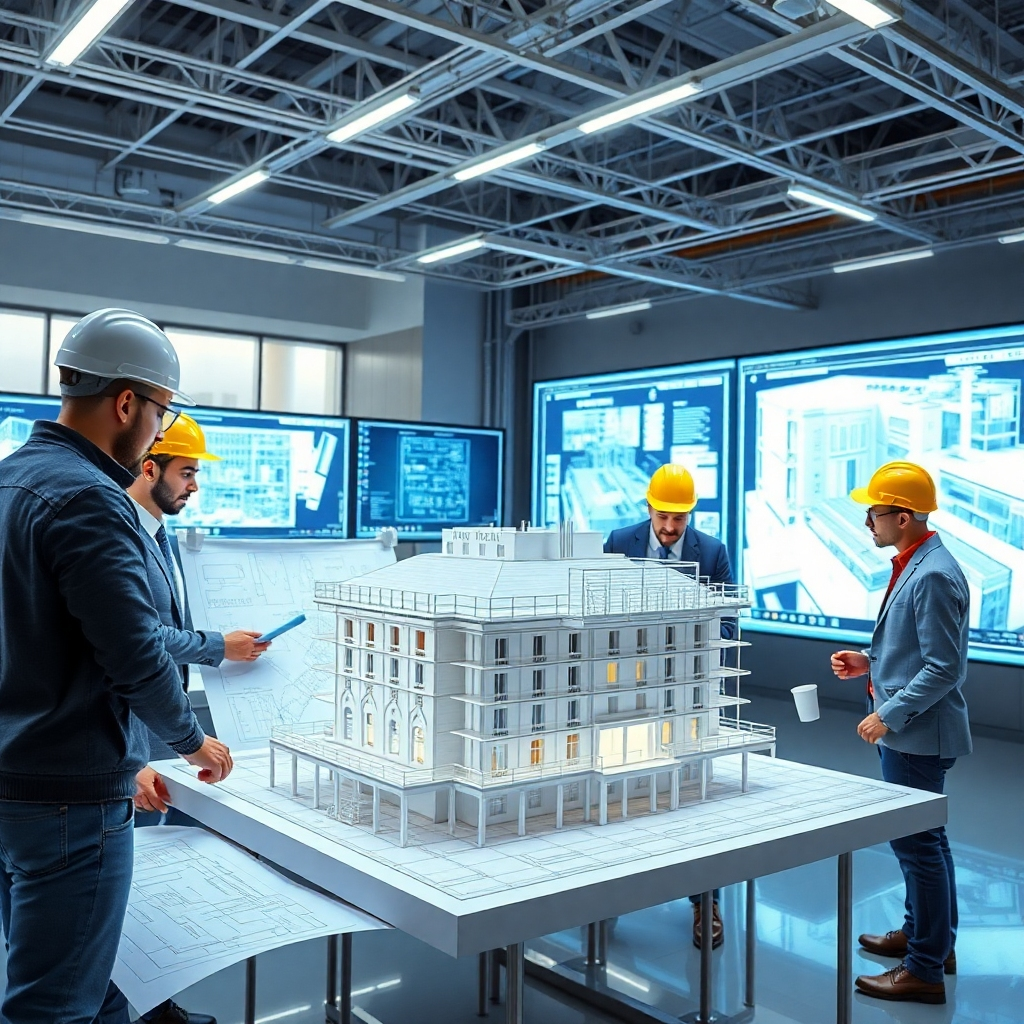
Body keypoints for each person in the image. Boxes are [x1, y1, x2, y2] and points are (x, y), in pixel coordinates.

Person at [0, 309, 234, 1024]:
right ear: (127, 402)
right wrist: (192, 743)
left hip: (12, 777)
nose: (159, 431)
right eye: (161, 414)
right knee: (54, 1006)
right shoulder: (91, 500)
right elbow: (133, 650)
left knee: (56, 977)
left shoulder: (12, 478)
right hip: (69, 794)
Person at [126, 413, 270, 1024]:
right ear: (149, 467)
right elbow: (141, 638)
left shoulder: (162, 536)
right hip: (131, 734)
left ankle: (155, 1005)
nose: (194, 485)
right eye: (187, 472)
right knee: (123, 893)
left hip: (155, 730)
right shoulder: (122, 535)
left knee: (149, 889)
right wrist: (217, 646)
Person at [831, 460, 970, 1006]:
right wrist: (871, 662)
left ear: (904, 516)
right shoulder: (917, 561)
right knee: (925, 843)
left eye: (875, 512)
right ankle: (929, 942)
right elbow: (918, 650)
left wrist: (888, 714)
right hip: (914, 732)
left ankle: (924, 969)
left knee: (918, 848)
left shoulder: (932, 572)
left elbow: (944, 668)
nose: (869, 522)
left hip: (915, 736)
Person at [604, 462, 733, 949]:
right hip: (623, 691)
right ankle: (607, 896)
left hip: (685, 692)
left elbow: (727, 626)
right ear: (649, 507)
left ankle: (706, 903)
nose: (669, 528)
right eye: (662, 516)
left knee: (694, 801)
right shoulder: (619, 543)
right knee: (616, 795)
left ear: (690, 515)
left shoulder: (713, 553)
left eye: (679, 520)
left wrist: (680, 645)